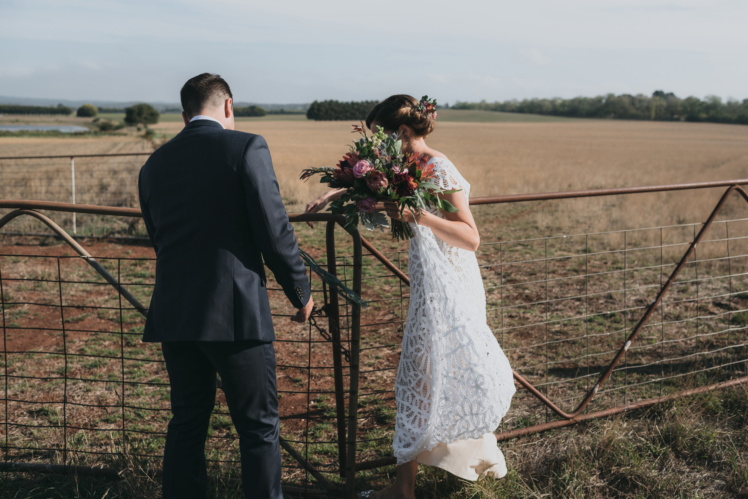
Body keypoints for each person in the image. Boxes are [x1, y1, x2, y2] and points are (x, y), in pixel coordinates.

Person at [306, 95, 515, 499]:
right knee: (429, 375)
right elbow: (379, 192)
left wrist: (416, 215)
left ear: (403, 133)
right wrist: (336, 194)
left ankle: (404, 488)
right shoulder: (403, 168)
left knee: (422, 377)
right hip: (429, 283)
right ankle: (468, 466)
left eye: (382, 137)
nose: (378, 147)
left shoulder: (437, 165)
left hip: (452, 283)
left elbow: (471, 237)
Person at [138, 73, 314, 499]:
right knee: (257, 426)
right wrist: (301, 291)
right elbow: (274, 231)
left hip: (175, 312)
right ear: (228, 106)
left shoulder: (154, 164)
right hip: (235, 312)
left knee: (187, 420)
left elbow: (158, 236)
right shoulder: (246, 147)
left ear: (185, 115)